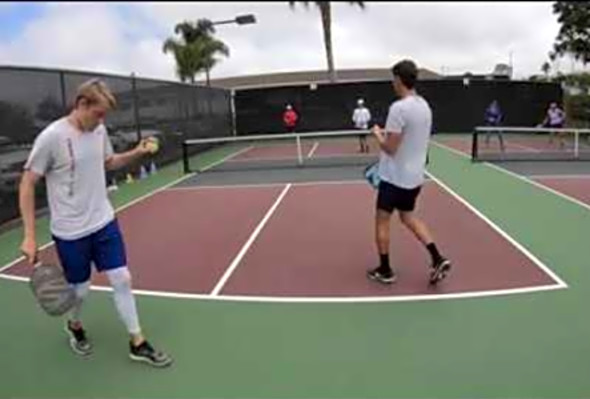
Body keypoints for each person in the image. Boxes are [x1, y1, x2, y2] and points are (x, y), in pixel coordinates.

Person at [19, 78, 172, 367]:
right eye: (98, 113)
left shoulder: (98, 130)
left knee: (122, 279)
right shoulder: (51, 137)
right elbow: (27, 183)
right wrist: (29, 235)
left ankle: (137, 342)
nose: (102, 120)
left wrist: (137, 152)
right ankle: (75, 326)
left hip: (103, 221)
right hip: (70, 232)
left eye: (104, 115)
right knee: (80, 291)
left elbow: (108, 163)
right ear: (81, 104)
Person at [368, 60, 451, 285]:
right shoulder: (425, 106)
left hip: (394, 179)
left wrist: (377, 134)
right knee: (408, 217)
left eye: (393, 79)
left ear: (398, 80)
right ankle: (437, 257)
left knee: (382, 221)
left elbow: (391, 148)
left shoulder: (399, 108)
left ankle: (385, 270)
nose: (392, 84)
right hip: (415, 179)